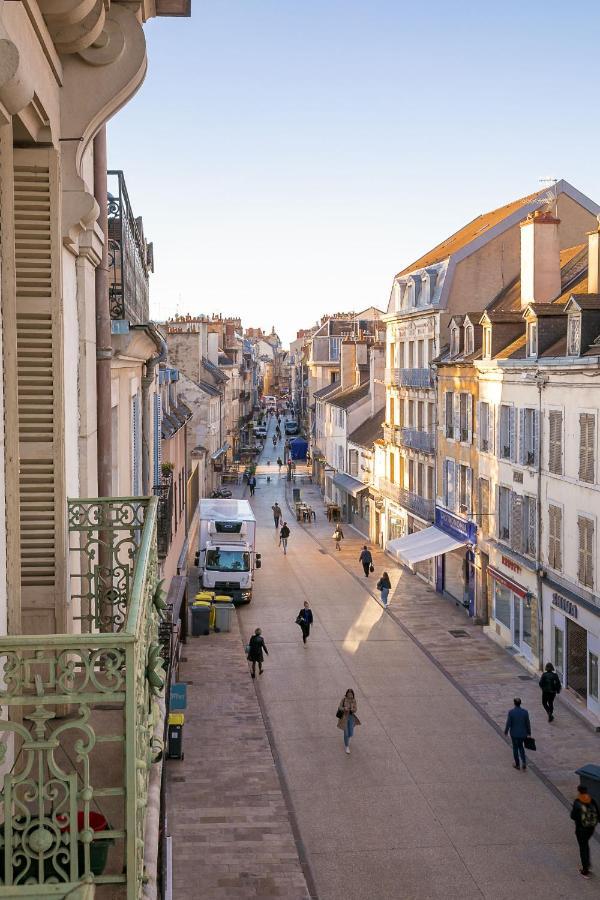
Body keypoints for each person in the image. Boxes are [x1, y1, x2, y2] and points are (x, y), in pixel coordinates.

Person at [570, 783, 599, 878]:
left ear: (579, 791)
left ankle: (585, 870)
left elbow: (573, 816)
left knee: (583, 847)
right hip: (591, 828)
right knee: (586, 844)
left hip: (581, 829)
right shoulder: (592, 800)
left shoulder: (577, 802)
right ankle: (587, 864)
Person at [504, 697, 531, 770]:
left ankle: (517, 764)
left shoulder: (511, 712)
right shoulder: (525, 712)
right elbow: (527, 723)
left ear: (514, 703)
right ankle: (524, 762)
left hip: (514, 734)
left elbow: (508, 723)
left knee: (515, 748)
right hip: (523, 734)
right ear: (520, 703)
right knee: (521, 747)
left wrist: (506, 731)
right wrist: (529, 733)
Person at [337, 688, 361, 754]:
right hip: (344, 718)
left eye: (351, 694)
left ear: (353, 694)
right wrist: (344, 708)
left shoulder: (354, 700)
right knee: (346, 733)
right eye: (348, 693)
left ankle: (348, 739)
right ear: (347, 693)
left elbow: (356, 709)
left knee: (351, 733)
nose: (350, 695)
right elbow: (339, 707)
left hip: (351, 717)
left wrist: (352, 709)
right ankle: (347, 746)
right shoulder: (344, 699)